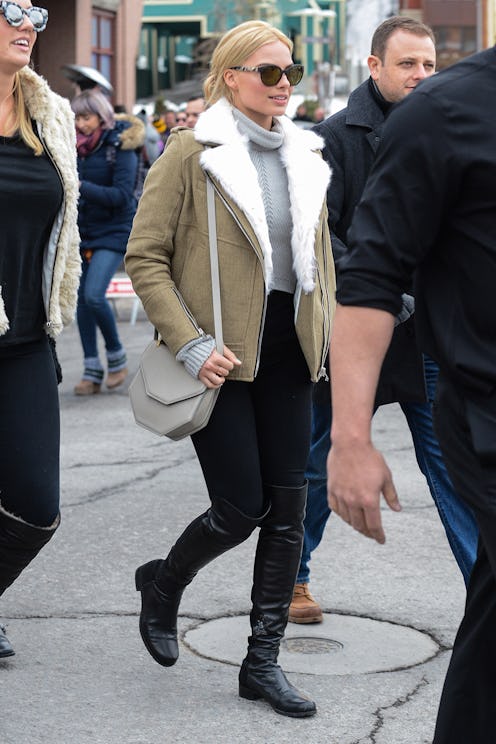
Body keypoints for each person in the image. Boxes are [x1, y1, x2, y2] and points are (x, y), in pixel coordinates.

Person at [126, 20, 335, 717]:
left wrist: (327, 339)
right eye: (269, 72)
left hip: (289, 352)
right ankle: (164, 585)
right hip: (219, 355)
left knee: (289, 510)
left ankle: (262, 663)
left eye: (291, 72)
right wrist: (189, 341)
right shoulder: (192, 152)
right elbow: (145, 256)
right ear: (230, 76)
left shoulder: (306, 154)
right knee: (242, 507)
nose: (283, 85)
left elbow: (319, 264)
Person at [327, 44, 496, 743]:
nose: (416, 71)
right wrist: (351, 439)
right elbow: (367, 275)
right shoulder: (442, 114)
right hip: (482, 410)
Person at [288, 15, 478, 624]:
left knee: (455, 469)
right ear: (374, 67)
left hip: (429, 339)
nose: (421, 75)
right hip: (354, 332)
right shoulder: (330, 139)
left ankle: (485, 590)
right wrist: (386, 293)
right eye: (407, 64)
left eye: (429, 64)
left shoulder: (450, 130)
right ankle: (292, 580)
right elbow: (317, 237)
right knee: (319, 464)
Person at [0, 0, 80, 657]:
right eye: (11, 10)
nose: (27, 25)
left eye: (36, 15)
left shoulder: (49, 113)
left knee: (36, 506)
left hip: (27, 337)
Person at [71, 89, 144, 395]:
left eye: (86, 117)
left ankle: (116, 357)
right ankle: (91, 368)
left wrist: (80, 186)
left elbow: (122, 196)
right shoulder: (74, 146)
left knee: (94, 295)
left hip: (114, 229)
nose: (80, 124)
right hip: (82, 230)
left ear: (101, 117)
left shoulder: (121, 146)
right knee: (80, 302)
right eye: (76, 118)